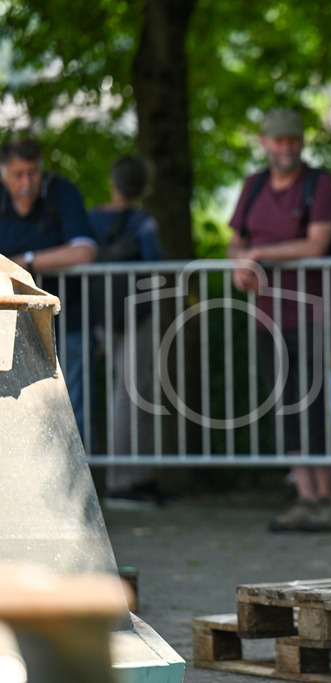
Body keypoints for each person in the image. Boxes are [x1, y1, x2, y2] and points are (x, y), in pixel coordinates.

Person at [228, 108, 331, 531]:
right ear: (264, 141)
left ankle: (327, 500)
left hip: (313, 311)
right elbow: (235, 242)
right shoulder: (253, 185)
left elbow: (317, 245)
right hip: (266, 316)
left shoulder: (320, 183)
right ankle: (305, 497)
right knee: (284, 407)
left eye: (292, 139)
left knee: (314, 406)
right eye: (278, 140)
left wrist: (259, 256)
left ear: (301, 141)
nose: (285, 147)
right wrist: (239, 265)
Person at [0, 137, 96, 438]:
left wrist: (26, 262)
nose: (26, 182)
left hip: (66, 321)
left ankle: (82, 485)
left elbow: (85, 252)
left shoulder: (61, 192)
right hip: (9, 328)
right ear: (3, 174)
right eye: (18, 174)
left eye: (33, 173)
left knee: (73, 407)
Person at [89, 154, 164, 503]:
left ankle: (129, 476)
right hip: (138, 314)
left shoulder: (90, 220)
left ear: (112, 182)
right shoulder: (143, 222)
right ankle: (126, 480)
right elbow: (156, 265)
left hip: (103, 313)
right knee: (134, 395)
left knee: (122, 394)